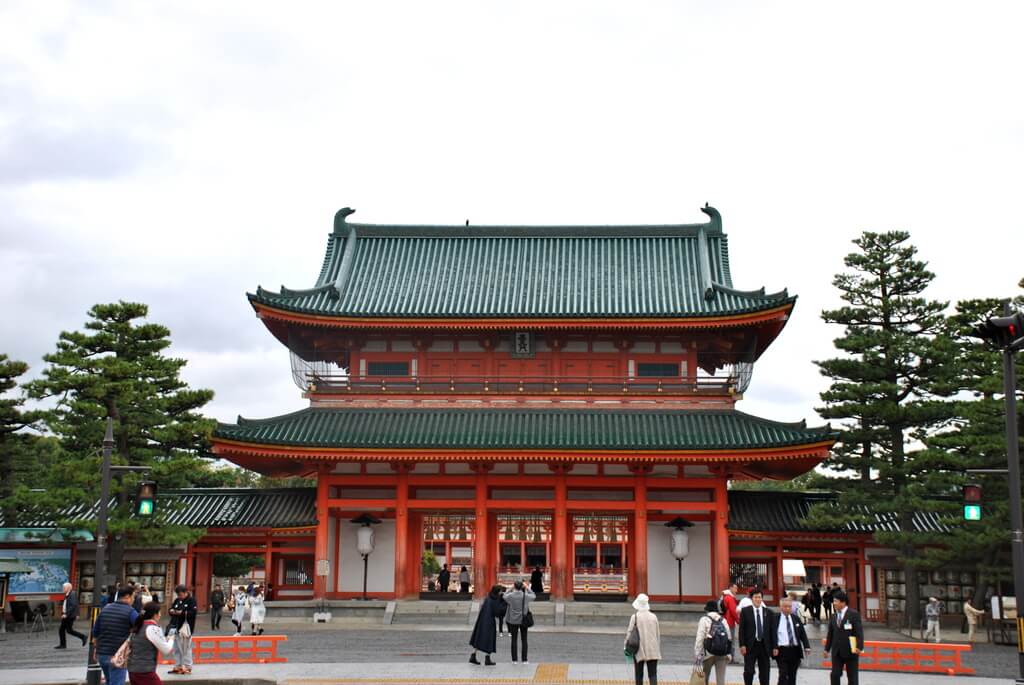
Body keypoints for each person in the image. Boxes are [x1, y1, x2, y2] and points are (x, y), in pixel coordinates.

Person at [93, 585, 139, 685]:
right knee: (116, 682)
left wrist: (96, 649)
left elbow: (96, 631)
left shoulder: (105, 609)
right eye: (133, 597)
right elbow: (140, 627)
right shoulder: (131, 612)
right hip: (118, 655)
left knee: (109, 681)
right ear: (127, 596)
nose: (133, 600)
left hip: (102, 654)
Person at [127, 601, 175, 685]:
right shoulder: (152, 628)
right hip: (145, 671)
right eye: (159, 612)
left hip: (132, 669)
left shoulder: (138, 626)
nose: (160, 615)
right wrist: (171, 639)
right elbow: (166, 650)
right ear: (155, 614)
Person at [824, 589, 863, 685]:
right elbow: (830, 634)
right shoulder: (833, 616)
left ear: (843, 602)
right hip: (837, 651)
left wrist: (859, 646)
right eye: (834, 601)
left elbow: (859, 632)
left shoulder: (853, 614)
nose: (834, 603)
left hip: (851, 650)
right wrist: (826, 649)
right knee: (835, 674)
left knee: (852, 678)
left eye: (836, 601)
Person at [770, 596, 810, 685]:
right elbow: (772, 635)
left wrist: (807, 646)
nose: (788, 608)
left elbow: (802, 634)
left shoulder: (796, 618)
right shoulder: (775, 619)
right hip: (782, 650)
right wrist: (774, 647)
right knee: (783, 674)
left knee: (792, 675)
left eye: (789, 606)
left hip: (795, 650)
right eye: (785, 606)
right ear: (781, 607)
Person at [739, 588, 774, 685]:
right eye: (755, 597)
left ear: (762, 599)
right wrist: (742, 645)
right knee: (749, 671)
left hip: (764, 645)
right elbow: (741, 629)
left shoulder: (768, 612)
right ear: (751, 599)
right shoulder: (745, 611)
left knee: (765, 672)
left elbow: (772, 631)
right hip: (751, 645)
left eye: (759, 597)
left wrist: (774, 646)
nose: (758, 599)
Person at [624, 593, 660, 685]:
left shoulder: (635, 617)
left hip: (639, 649)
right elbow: (657, 634)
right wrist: (657, 647)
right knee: (653, 674)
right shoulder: (654, 617)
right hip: (652, 649)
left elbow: (629, 633)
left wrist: (626, 646)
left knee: (639, 675)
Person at [694, 599, 731, 685]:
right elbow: (728, 637)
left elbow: (700, 638)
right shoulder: (723, 620)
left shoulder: (704, 619)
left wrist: (697, 656)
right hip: (722, 653)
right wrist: (729, 654)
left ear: (707, 609)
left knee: (704, 678)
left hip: (708, 653)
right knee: (721, 681)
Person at [468, 584, 504, 665]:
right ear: (497, 592)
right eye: (500, 591)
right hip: (490, 622)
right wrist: (502, 604)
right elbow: (497, 613)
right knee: (490, 640)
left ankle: (473, 655)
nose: (501, 592)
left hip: (482, 621)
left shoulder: (488, 598)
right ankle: (487, 658)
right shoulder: (495, 600)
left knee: (479, 638)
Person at [166, 584, 197, 675]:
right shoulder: (177, 600)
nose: (179, 596)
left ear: (186, 592)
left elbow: (193, 613)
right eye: (178, 595)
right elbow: (171, 609)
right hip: (175, 626)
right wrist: (171, 611)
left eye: (180, 594)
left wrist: (182, 613)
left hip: (185, 628)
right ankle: (178, 665)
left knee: (186, 648)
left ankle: (188, 667)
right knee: (176, 648)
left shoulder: (192, 600)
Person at [504, 580, 535, 664]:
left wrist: (510, 588)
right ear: (522, 587)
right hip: (523, 619)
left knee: (514, 639)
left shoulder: (510, 596)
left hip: (513, 620)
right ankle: (524, 659)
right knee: (524, 639)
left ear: (515, 586)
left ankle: (514, 660)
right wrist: (527, 587)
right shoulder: (525, 596)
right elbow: (534, 596)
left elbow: (504, 595)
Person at [56, 581, 88, 649]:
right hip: (68, 615)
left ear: (68, 588)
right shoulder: (68, 594)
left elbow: (73, 605)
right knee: (65, 630)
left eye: (64, 587)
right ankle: (63, 644)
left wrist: (66, 614)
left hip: (69, 616)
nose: (63, 589)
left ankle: (83, 637)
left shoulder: (72, 594)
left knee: (66, 630)